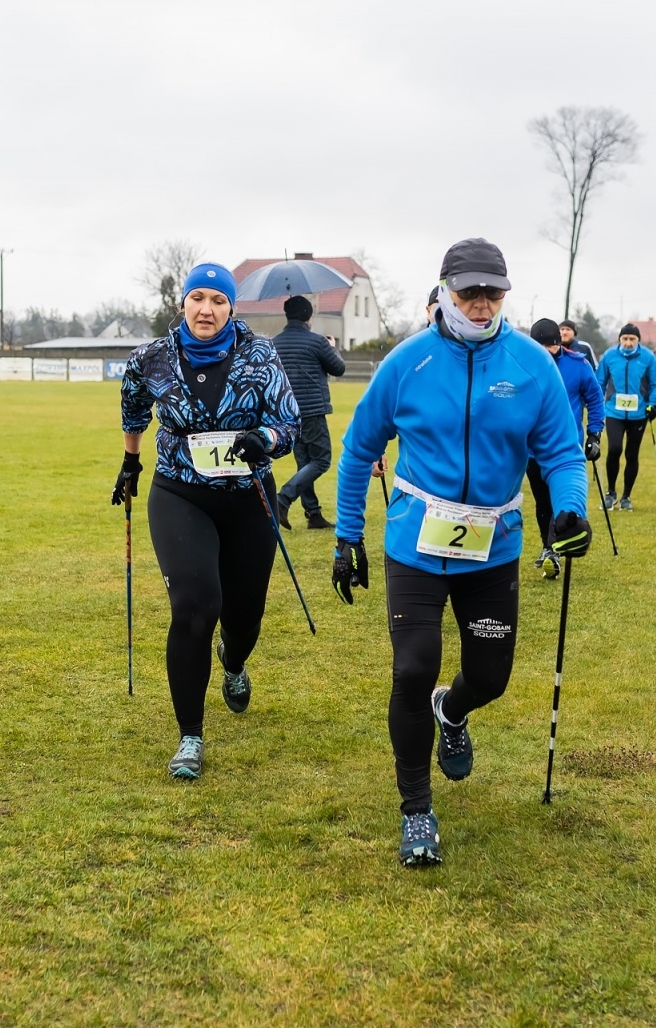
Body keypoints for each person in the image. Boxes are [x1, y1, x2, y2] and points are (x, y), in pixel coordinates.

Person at [329, 238, 591, 867]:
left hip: (493, 546)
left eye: (492, 293)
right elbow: (360, 448)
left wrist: (570, 507)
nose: (480, 305)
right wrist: (345, 538)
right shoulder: (407, 363)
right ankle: (416, 810)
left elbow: (559, 451)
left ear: (506, 293)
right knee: (413, 668)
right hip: (416, 546)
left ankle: (454, 709)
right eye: (468, 292)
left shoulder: (532, 365)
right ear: (444, 289)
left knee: (491, 677)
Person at [114, 262, 301, 780]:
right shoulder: (151, 358)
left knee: (244, 616)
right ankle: (190, 736)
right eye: (198, 298)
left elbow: (289, 422)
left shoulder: (260, 355)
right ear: (183, 304)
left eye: (218, 301)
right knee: (196, 606)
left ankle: (234, 661)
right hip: (180, 494)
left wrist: (263, 440)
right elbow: (132, 409)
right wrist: (131, 461)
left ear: (231, 308)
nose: (207, 309)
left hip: (248, 497)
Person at [526, 318, 604, 578]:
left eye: (551, 346)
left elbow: (594, 398)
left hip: (563, 448)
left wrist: (594, 434)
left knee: (560, 499)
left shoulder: (578, 365)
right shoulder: (522, 364)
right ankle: (547, 547)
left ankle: (552, 550)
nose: (546, 352)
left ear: (560, 344)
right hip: (531, 448)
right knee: (542, 501)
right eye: (541, 347)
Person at [272, 295, 347, 530]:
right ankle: (282, 499)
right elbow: (339, 368)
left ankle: (313, 514)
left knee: (304, 462)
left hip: (287, 413)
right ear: (308, 315)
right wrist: (332, 348)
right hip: (312, 410)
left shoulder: (274, 343)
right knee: (321, 461)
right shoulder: (317, 342)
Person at [596, 324, 656, 511]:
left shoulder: (648, 357)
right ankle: (610, 494)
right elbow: (599, 382)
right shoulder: (609, 356)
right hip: (613, 412)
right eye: (624, 338)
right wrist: (597, 405)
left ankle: (626, 496)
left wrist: (654, 404)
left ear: (638, 341)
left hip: (639, 413)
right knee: (614, 449)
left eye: (632, 339)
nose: (628, 342)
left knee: (632, 454)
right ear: (619, 339)